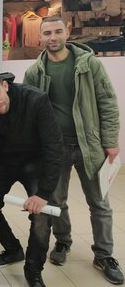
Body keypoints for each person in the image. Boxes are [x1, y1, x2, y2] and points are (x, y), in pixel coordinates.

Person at [23, 16, 123, 285]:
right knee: (56, 201)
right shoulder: (34, 72)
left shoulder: (89, 64)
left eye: (57, 31)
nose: (53, 37)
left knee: (99, 203)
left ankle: (104, 255)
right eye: (47, 33)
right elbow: (30, 113)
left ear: (67, 32)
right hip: (54, 148)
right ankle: (63, 242)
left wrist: (110, 140)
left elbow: (107, 102)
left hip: (89, 144)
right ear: (40, 37)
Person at [0, 70, 63, 287]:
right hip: (3, 162)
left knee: (41, 217)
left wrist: (43, 194)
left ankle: (33, 270)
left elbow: (54, 147)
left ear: (5, 85)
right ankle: (13, 250)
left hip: (36, 162)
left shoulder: (36, 100)